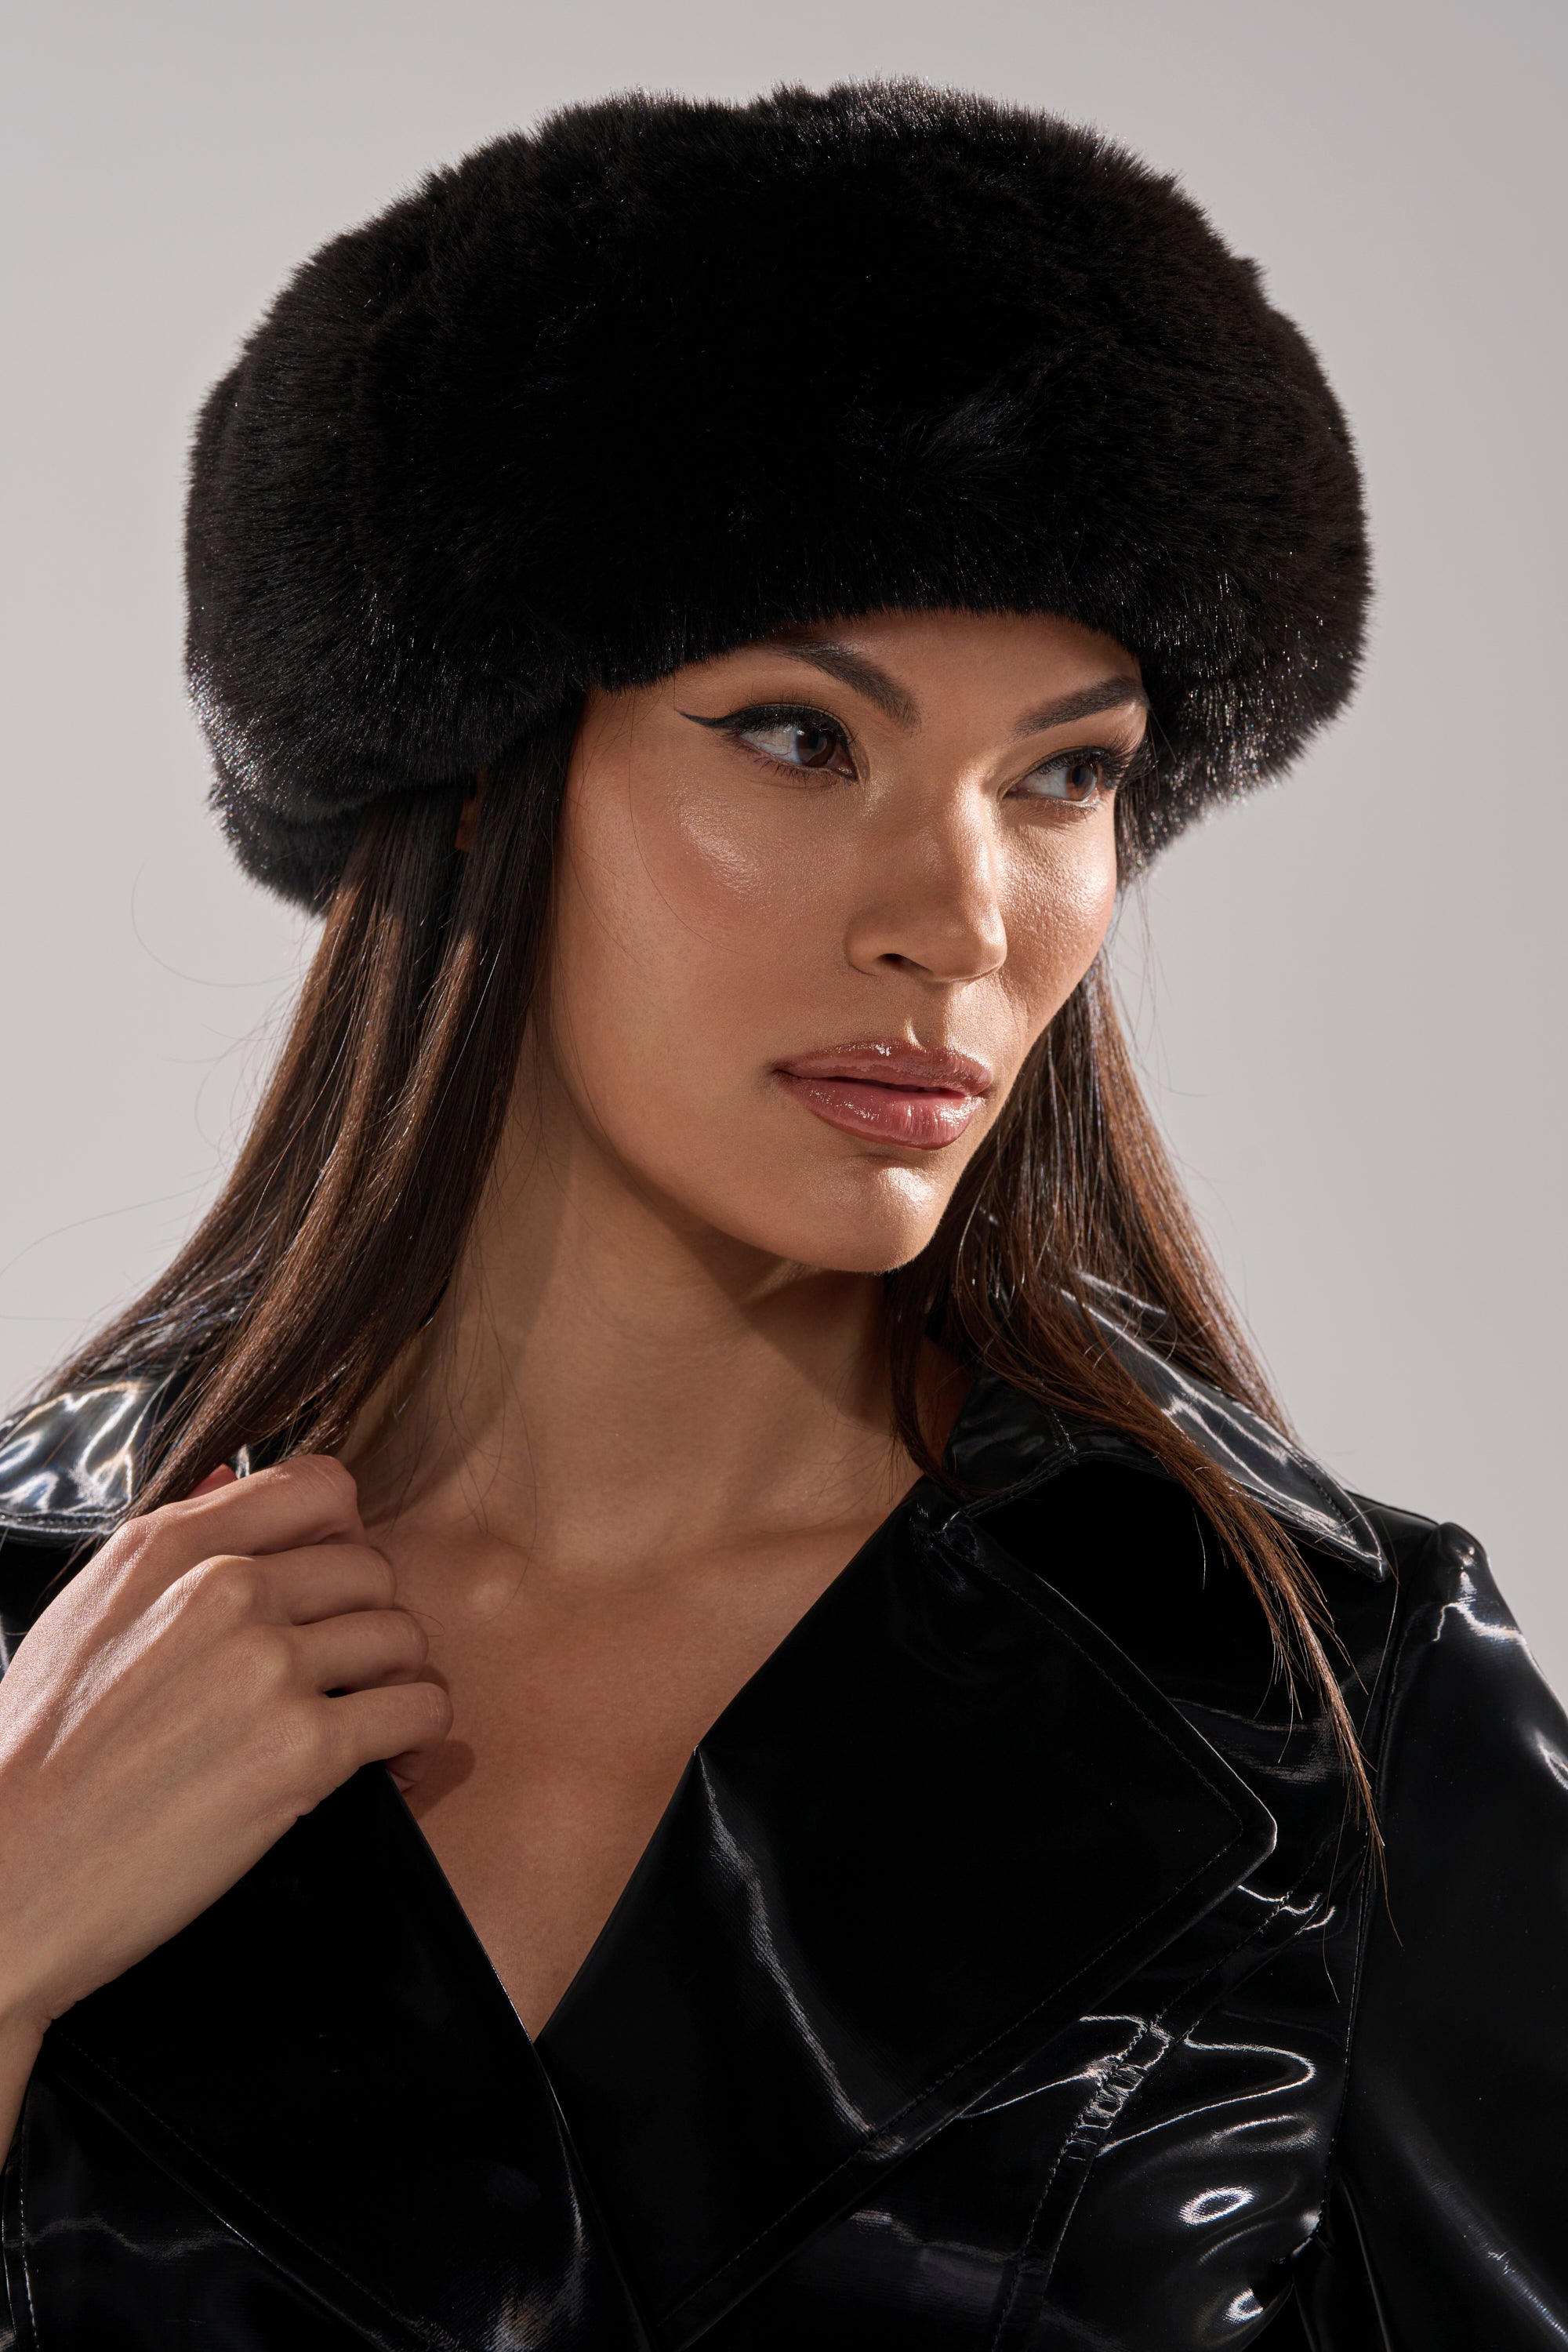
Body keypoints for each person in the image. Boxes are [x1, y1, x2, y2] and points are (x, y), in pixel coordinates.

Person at [0, 81, 1561, 2352]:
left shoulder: (1321, 1706)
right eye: (802, 738)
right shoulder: (39, 1645)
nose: (965, 912)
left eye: (1069, 773)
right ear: (476, 784)